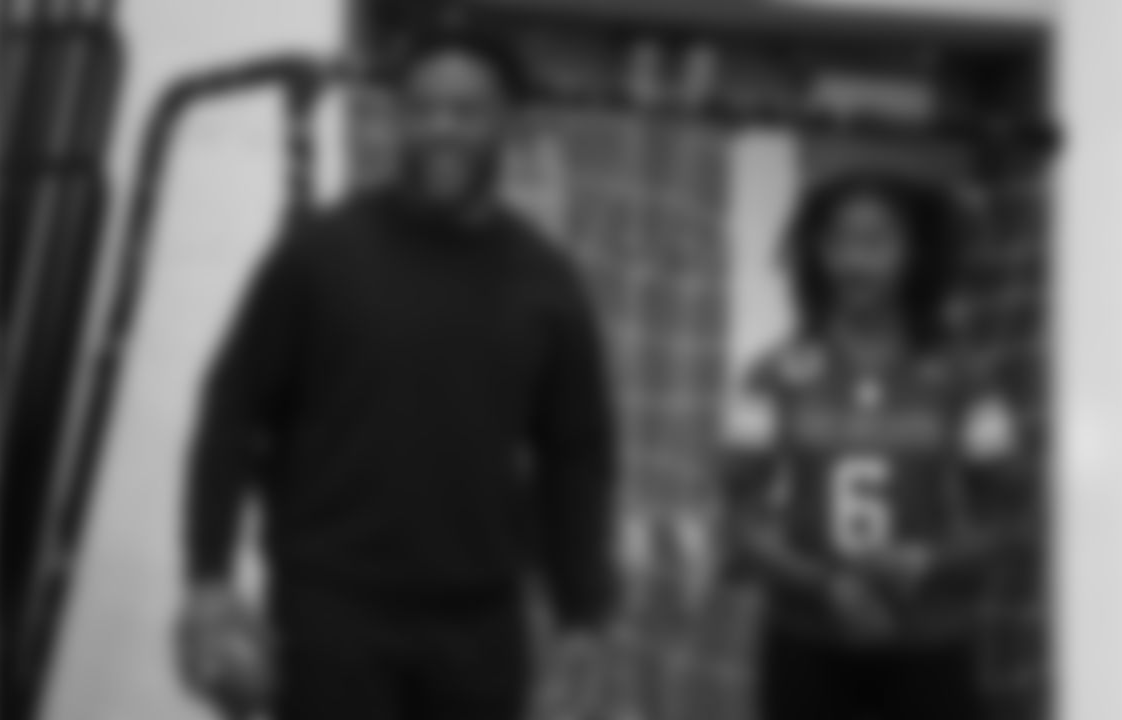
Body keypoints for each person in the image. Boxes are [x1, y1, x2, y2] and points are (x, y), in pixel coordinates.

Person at [174, 20, 618, 720]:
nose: (443, 128)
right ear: (396, 119)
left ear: (508, 122)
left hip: (480, 622)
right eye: (424, 107)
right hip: (331, 612)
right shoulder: (319, 255)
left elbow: (577, 458)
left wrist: (583, 614)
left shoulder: (548, 282)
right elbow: (231, 413)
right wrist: (208, 575)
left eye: (467, 110)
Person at [720, 171, 1034, 720]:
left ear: (916, 254)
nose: (856, 261)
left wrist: (929, 561)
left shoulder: (967, 378)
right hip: (807, 646)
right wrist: (822, 585)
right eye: (840, 240)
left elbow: (1007, 517)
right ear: (815, 252)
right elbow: (739, 518)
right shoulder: (769, 377)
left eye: (878, 240)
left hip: (932, 649)